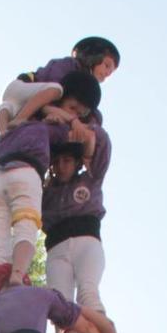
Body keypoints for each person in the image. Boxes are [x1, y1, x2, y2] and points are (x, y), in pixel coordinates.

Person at [0, 72, 101, 309]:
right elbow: (86, 138)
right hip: (25, 172)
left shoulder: (7, 133)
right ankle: (16, 276)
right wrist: (66, 120)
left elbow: (3, 112)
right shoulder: (47, 130)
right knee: (25, 227)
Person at [43, 122, 111, 312]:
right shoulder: (46, 195)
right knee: (59, 305)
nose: (60, 166)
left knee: (87, 292)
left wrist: (82, 126)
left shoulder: (90, 179)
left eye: (66, 161)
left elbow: (103, 144)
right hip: (56, 248)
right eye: (56, 162)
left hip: (86, 241)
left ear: (77, 163)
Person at [0, 36, 119, 134]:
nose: (107, 73)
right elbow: (52, 81)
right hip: (25, 87)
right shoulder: (69, 65)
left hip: (24, 102)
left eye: (111, 72)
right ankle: (20, 119)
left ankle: (4, 136)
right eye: (107, 65)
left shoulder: (86, 90)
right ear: (93, 57)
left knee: (8, 107)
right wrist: (58, 114)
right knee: (56, 89)